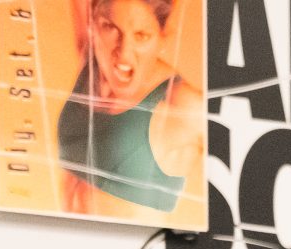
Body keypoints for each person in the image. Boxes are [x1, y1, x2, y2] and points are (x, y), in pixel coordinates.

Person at [57, 0, 203, 219]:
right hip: (64, 239)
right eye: (111, 28)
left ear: (163, 37)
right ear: (94, 26)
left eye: (142, 36)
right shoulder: (92, 63)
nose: (124, 53)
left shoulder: (182, 104)